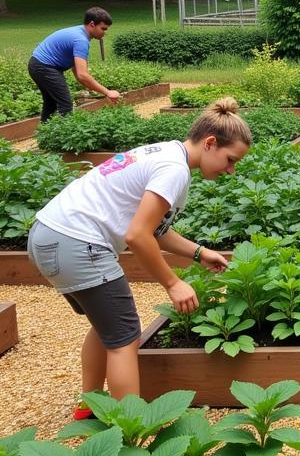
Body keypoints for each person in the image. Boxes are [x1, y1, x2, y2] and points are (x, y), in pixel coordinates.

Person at [27, 98, 253, 414]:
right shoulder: (174, 170)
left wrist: (199, 252)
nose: (231, 170)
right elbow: (137, 236)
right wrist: (173, 283)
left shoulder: (168, 153)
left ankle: (88, 405)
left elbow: (155, 229)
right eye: (231, 160)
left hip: (49, 234)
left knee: (106, 324)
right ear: (211, 142)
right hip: (77, 241)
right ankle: (131, 429)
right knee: (125, 337)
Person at [28, 7, 121, 122]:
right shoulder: (81, 40)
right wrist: (108, 92)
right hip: (44, 66)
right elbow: (82, 75)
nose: (105, 33)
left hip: (37, 64)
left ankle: (46, 135)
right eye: (103, 28)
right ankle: (65, 137)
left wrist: (91, 87)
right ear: (92, 24)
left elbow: (78, 73)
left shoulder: (80, 32)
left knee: (51, 102)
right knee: (65, 104)